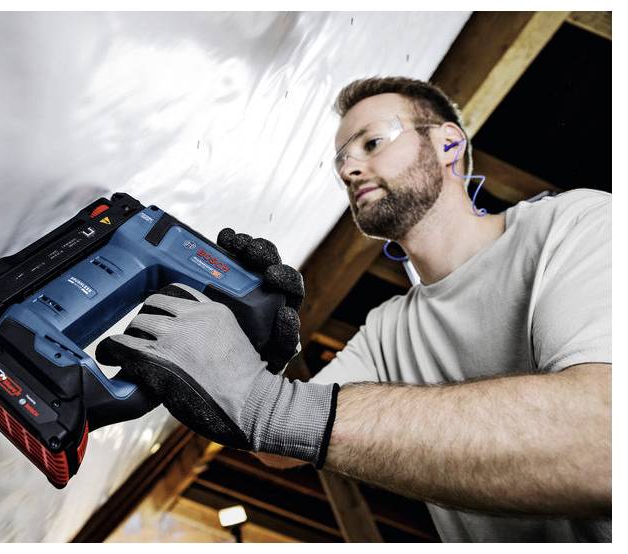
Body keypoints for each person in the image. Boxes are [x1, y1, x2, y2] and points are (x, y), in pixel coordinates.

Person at [97, 76, 611, 542]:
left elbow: (604, 443)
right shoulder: (388, 327)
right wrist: (254, 351)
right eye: (341, 160)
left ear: (449, 143)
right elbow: (275, 446)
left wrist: (265, 403)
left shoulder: (576, 226)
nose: (348, 168)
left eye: (372, 142)